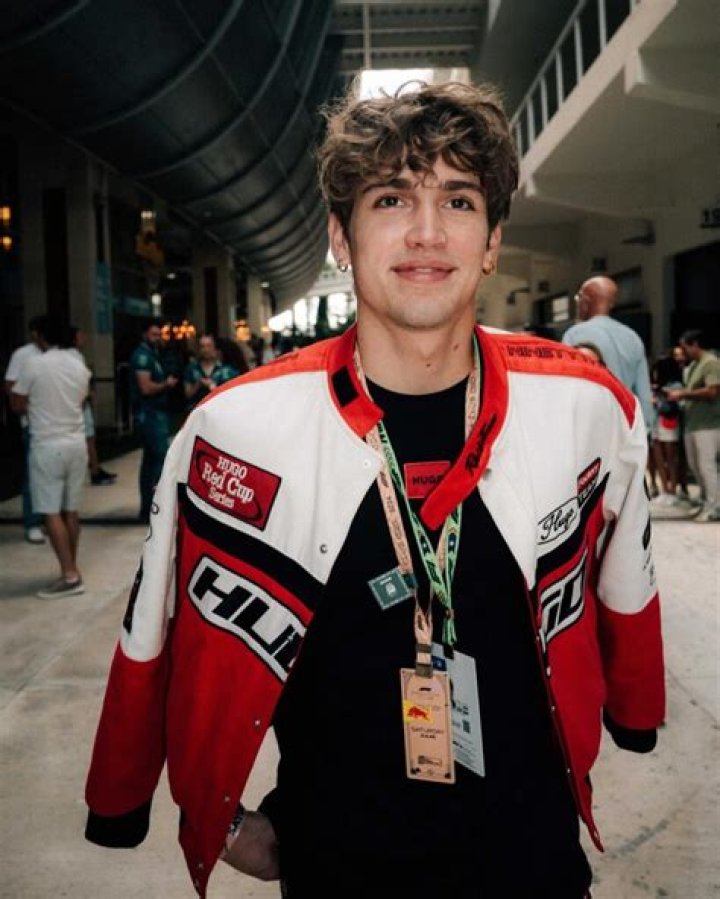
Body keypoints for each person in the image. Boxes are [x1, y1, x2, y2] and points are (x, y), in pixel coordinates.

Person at [85, 82, 665, 899]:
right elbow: (155, 628)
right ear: (340, 236)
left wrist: (635, 711)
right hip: (333, 865)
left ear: (492, 240)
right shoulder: (235, 427)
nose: (427, 231)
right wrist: (200, 813)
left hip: (534, 859)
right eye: (391, 198)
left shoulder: (585, 404)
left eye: (458, 200)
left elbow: (628, 580)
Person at [10, 314, 91, 597]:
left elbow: (17, 403)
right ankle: (71, 568)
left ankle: (70, 576)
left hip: (47, 443)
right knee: (71, 510)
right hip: (76, 442)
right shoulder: (78, 364)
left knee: (51, 511)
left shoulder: (35, 364)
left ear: (41, 336)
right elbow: (82, 398)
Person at [563, 276, 654, 431]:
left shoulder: (574, 335)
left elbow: (566, 388)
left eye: (579, 297)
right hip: (625, 428)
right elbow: (644, 394)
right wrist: (646, 430)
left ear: (586, 300)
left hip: (589, 428)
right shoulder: (632, 337)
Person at [665, 330, 720, 522]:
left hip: (708, 423)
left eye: (686, 347)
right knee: (696, 465)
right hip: (693, 423)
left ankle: (715, 505)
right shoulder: (695, 365)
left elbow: (713, 391)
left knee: (707, 465)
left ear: (695, 344)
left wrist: (683, 394)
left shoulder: (710, 363)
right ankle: (706, 501)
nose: (684, 352)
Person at [129, 319, 178, 523]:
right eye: (154, 335)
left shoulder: (153, 355)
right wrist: (166, 384)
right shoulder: (142, 357)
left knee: (150, 461)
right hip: (149, 414)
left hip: (155, 413)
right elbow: (146, 387)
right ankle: (155, 506)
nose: (158, 338)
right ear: (144, 335)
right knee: (160, 458)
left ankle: (148, 507)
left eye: (159, 334)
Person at [4, 316, 45, 543]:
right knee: (33, 476)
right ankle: (32, 522)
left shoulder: (54, 353)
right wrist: (24, 407)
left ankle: (47, 518)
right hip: (32, 423)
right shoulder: (23, 355)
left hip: (53, 424)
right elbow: (11, 385)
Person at [69, 327, 117, 486]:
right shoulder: (74, 357)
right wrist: (88, 394)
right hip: (79, 405)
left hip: (81, 403)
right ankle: (94, 471)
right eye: (80, 335)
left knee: (90, 439)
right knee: (88, 439)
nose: (84, 338)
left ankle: (95, 468)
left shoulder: (77, 356)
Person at [183, 333, 226, 411]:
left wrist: (213, 386)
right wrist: (198, 384)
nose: (206, 350)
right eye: (202, 346)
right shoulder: (191, 368)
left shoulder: (225, 370)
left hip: (218, 411)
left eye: (209, 346)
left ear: (214, 348)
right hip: (196, 411)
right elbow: (187, 395)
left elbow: (228, 396)